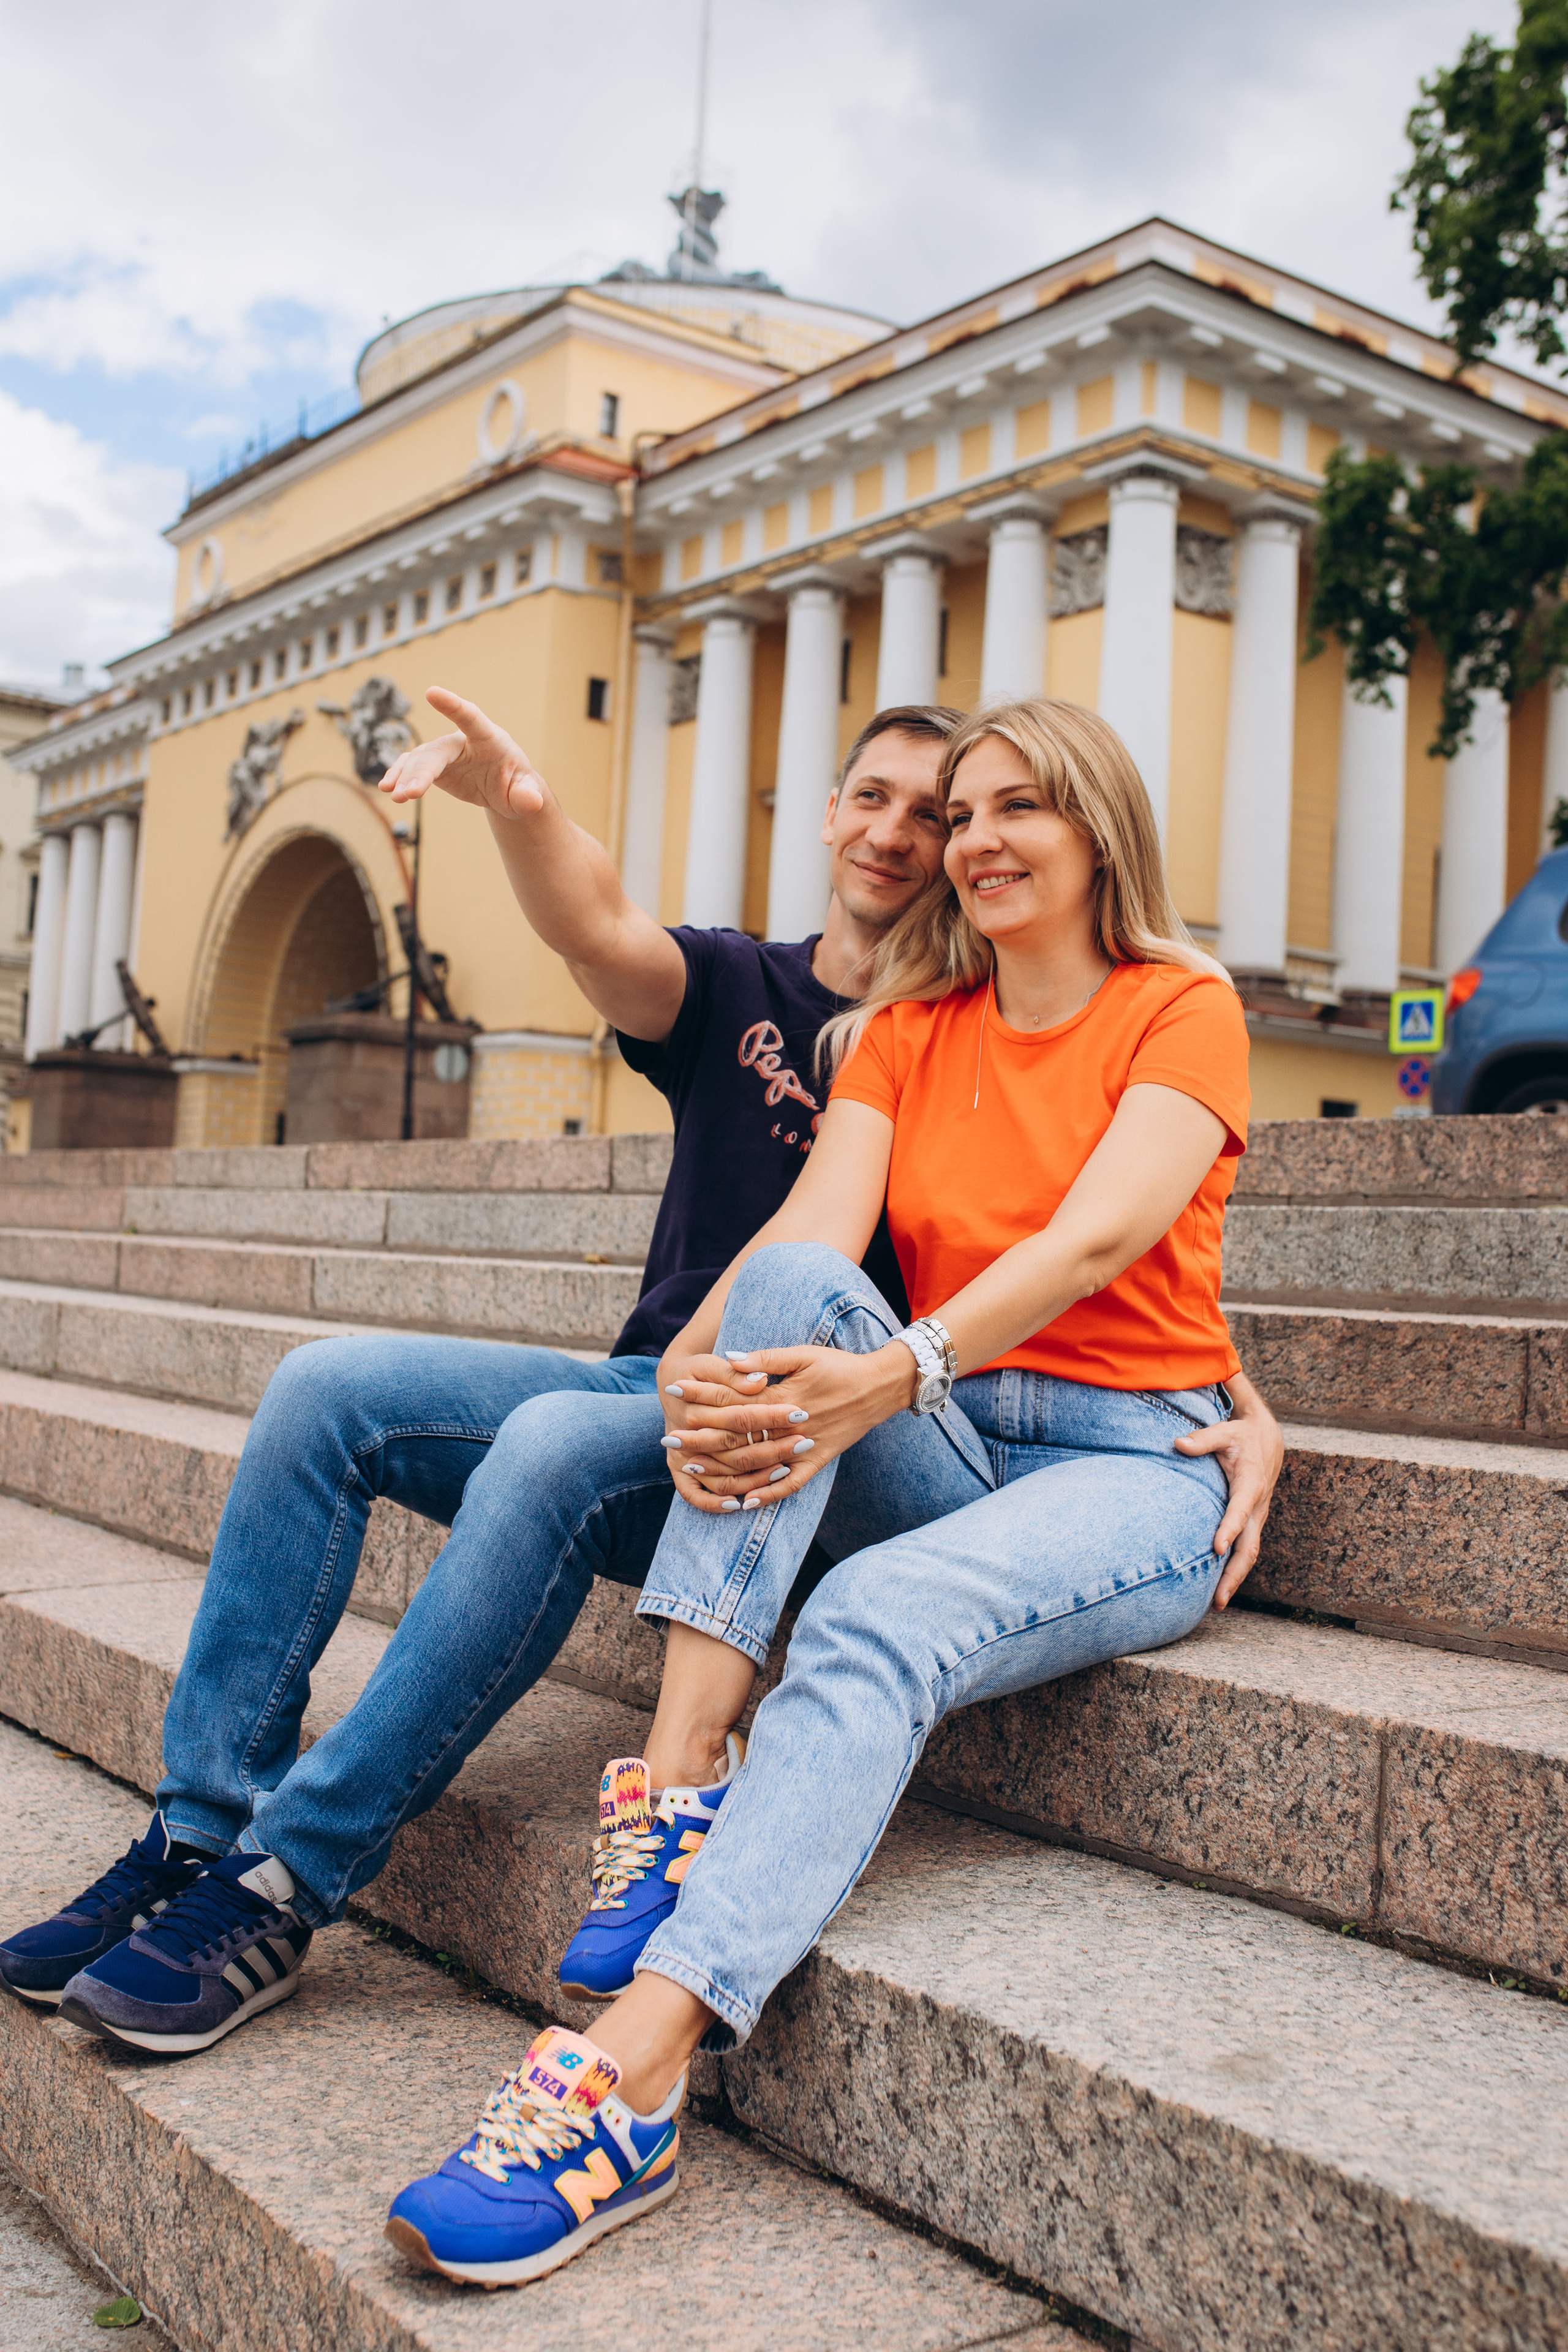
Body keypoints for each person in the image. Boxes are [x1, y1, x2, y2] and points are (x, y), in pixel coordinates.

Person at [0, 691, 1280, 2060]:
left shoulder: (1136, 1005)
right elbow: (720, 1116)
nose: (934, 836)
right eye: (907, 803)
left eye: (973, 809)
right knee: (326, 1387)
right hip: (757, 1394)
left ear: (1094, 824)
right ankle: (204, 1837)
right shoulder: (803, 1003)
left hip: (891, 1411)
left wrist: (1226, 1396)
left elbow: (1112, 1233)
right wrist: (521, 807)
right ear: (828, 813)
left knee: (558, 1444)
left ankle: (297, 1878)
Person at [386, 695, 1262, 2291]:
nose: (980, 840)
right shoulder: (909, 1033)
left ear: (1098, 831)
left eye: (1023, 808)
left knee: (867, 1611)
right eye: (966, 813)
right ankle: (668, 1794)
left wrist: (900, 1371)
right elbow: (806, 1231)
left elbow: (1098, 1242)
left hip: (1139, 1467)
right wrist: (693, 1374)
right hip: (959, 1443)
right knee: (783, 1293)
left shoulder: (1179, 1004)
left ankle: (632, 2070)